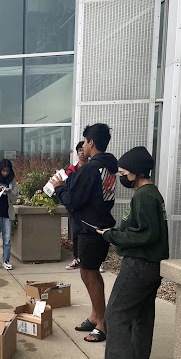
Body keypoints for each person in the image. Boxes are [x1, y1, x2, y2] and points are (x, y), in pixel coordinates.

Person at [96, 146, 169, 359]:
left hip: (139, 265)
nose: (122, 177)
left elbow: (146, 234)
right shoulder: (151, 193)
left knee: (115, 315)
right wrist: (113, 232)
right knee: (142, 315)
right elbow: (143, 230)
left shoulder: (144, 195)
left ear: (136, 172)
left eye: (124, 172)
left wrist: (112, 236)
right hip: (150, 266)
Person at [51, 123, 117, 343]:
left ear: (92, 143)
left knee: (91, 274)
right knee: (86, 272)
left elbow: (73, 201)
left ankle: (102, 323)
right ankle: (96, 315)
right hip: (93, 226)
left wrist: (59, 186)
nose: (83, 146)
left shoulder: (91, 168)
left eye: (85, 141)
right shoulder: (107, 166)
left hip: (91, 228)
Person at [64, 141, 89, 270]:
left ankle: (93, 261)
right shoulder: (71, 170)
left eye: (83, 150)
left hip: (89, 208)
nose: (82, 153)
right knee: (76, 233)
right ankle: (76, 258)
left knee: (90, 234)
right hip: (75, 208)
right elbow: (67, 187)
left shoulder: (92, 168)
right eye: (79, 150)